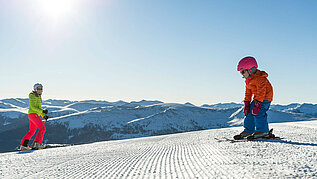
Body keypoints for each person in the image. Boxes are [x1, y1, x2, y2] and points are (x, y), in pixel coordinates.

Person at [234, 56, 273, 140]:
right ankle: (249, 130)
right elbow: (248, 93)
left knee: (258, 113)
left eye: (243, 71)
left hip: (265, 99)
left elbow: (261, 92)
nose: (242, 74)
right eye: (241, 72)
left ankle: (263, 131)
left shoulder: (260, 79)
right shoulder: (249, 80)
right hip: (257, 99)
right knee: (249, 114)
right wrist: (247, 104)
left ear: (250, 69)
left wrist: (258, 104)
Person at [19, 83, 49, 150]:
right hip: (33, 114)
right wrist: (42, 111)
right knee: (42, 128)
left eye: (41, 88)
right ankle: (38, 144)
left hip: (33, 115)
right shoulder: (32, 95)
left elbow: (39, 108)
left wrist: (44, 116)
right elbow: (33, 107)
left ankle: (23, 145)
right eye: (38, 88)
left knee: (32, 131)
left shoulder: (39, 97)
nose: (40, 90)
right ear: (35, 89)